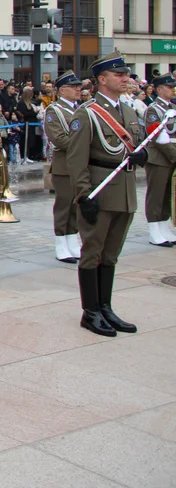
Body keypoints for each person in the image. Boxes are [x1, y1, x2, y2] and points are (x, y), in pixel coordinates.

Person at [67, 53, 145, 337]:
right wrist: (84, 195)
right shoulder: (86, 113)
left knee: (110, 254)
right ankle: (90, 312)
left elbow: (130, 148)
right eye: (119, 75)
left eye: (126, 75)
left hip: (123, 191)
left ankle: (105, 307)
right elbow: (77, 160)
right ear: (102, 80)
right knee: (93, 253)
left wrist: (141, 156)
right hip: (99, 192)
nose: (126, 79)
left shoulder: (129, 110)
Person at [45, 71, 84, 262]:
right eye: (74, 86)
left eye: (79, 86)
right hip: (64, 165)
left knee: (77, 205)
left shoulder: (81, 109)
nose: (79, 89)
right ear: (62, 90)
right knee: (64, 206)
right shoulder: (54, 111)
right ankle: (61, 242)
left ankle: (72, 239)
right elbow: (59, 139)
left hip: (80, 165)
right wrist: (84, 146)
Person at [143, 73, 176, 246]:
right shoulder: (153, 109)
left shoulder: (173, 107)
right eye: (169, 87)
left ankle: (164, 225)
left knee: (167, 195)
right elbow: (157, 135)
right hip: (159, 157)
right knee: (156, 194)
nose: (173, 90)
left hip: (171, 156)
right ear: (159, 89)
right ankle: (154, 229)